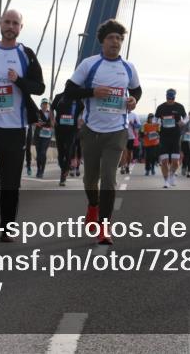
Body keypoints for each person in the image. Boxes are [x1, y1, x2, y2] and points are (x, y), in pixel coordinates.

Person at [64, 19, 141, 245]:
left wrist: (134, 99)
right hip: (91, 130)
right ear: (102, 41)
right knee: (90, 180)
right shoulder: (89, 64)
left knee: (109, 178)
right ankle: (93, 206)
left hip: (116, 131)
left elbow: (137, 89)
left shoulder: (128, 67)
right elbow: (69, 91)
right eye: (111, 38)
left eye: (119, 38)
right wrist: (92, 92)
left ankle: (104, 227)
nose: (115, 42)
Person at [0, 9, 45, 241]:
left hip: (15, 128)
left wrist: (19, 81)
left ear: (21, 28)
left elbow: (39, 87)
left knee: (11, 182)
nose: (10, 26)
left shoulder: (27, 54)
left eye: (15, 23)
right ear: (0, 24)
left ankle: (7, 228)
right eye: (7, 22)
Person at [51, 89, 84, 186]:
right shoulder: (59, 97)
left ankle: (63, 174)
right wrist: (52, 120)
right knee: (61, 153)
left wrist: (80, 121)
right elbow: (51, 108)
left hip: (72, 130)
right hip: (59, 129)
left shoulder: (77, 99)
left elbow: (84, 110)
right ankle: (63, 168)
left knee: (69, 150)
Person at [155, 89, 187, 188]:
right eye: (168, 98)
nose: (170, 100)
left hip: (175, 136)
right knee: (164, 161)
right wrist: (157, 123)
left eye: (172, 98)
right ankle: (166, 181)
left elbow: (186, 117)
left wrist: (183, 122)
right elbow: (155, 119)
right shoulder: (161, 107)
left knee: (175, 161)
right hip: (164, 136)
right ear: (166, 97)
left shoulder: (179, 107)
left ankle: (172, 174)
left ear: (174, 97)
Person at [34, 99, 54, 179]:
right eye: (43, 104)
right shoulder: (37, 112)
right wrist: (37, 123)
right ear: (41, 105)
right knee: (39, 154)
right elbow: (32, 121)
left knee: (43, 152)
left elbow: (53, 123)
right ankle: (39, 169)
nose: (45, 105)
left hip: (47, 135)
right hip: (38, 135)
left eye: (46, 104)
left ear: (48, 105)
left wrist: (51, 124)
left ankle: (42, 170)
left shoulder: (51, 113)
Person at [121, 110, 141, 175]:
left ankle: (127, 166)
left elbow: (139, 125)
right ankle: (122, 167)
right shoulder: (121, 113)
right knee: (124, 152)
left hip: (131, 136)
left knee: (129, 153)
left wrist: (132, 124)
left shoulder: (134, 115)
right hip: (122, 135)